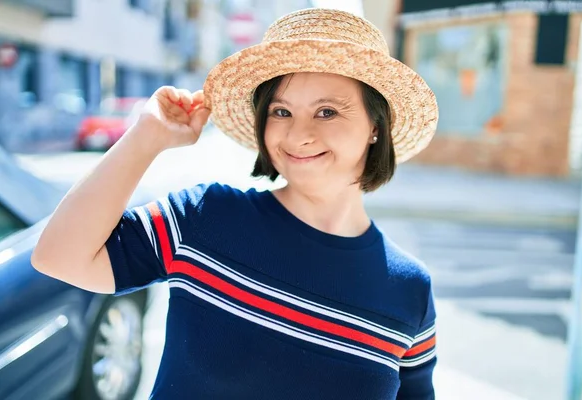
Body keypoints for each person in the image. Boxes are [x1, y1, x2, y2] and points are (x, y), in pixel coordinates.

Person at [32, 8, 439, 400]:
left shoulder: (409, 288)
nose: (298, 135)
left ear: (375, 126)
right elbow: (59, 256)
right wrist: (146, 139)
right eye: (281, 111)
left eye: (327, 111)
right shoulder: (205, 218)